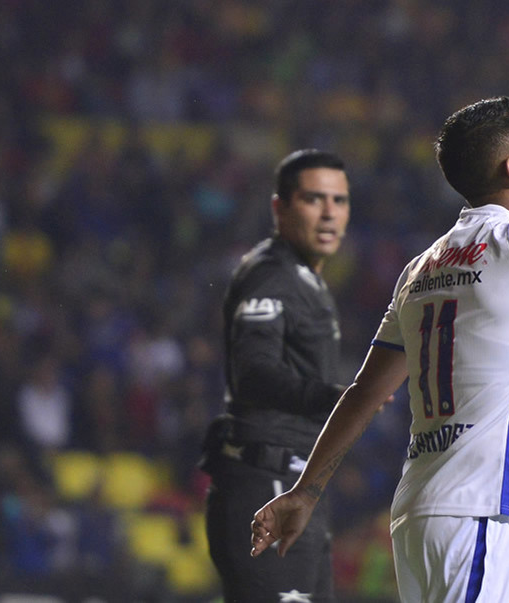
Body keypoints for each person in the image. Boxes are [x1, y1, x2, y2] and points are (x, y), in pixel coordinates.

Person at [250, 18, 509, 602]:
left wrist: (305, 491)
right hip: (478, 513)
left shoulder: (421, 269)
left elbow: (366, 393)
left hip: (420, 516)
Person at [200, 149, 351, 602]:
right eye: (313, 199)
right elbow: (254, 372)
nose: (329, 213)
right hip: (267, 482)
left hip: (293, 482)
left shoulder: (306, 278)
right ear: (279, 208)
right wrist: (333, 397)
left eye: (339, 201)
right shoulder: (273, 275)